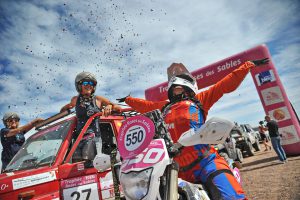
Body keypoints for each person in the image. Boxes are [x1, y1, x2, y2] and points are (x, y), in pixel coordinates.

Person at [117, 58, 269, 200]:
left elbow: (224, 85)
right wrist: (128, 100)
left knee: (231, 196)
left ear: (188, 87)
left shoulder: (200, 100)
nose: (177, 89)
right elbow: (145, 105)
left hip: (206, 163)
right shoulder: (164, 107)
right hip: (175, 169)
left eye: (179, 88)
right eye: (174, 88)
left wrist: (247, 65)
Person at [60, 72, 122, 164]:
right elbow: (63, 110)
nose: (89, 85)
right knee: (75, 164)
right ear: (79, 86)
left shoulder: (98, 99)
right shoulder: (75, 99)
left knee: (88, 163)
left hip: (93, 137)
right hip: (78, 138)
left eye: (91, 83)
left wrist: (109, 106)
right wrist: (66, 108)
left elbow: (118, 108)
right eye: (85, 83)